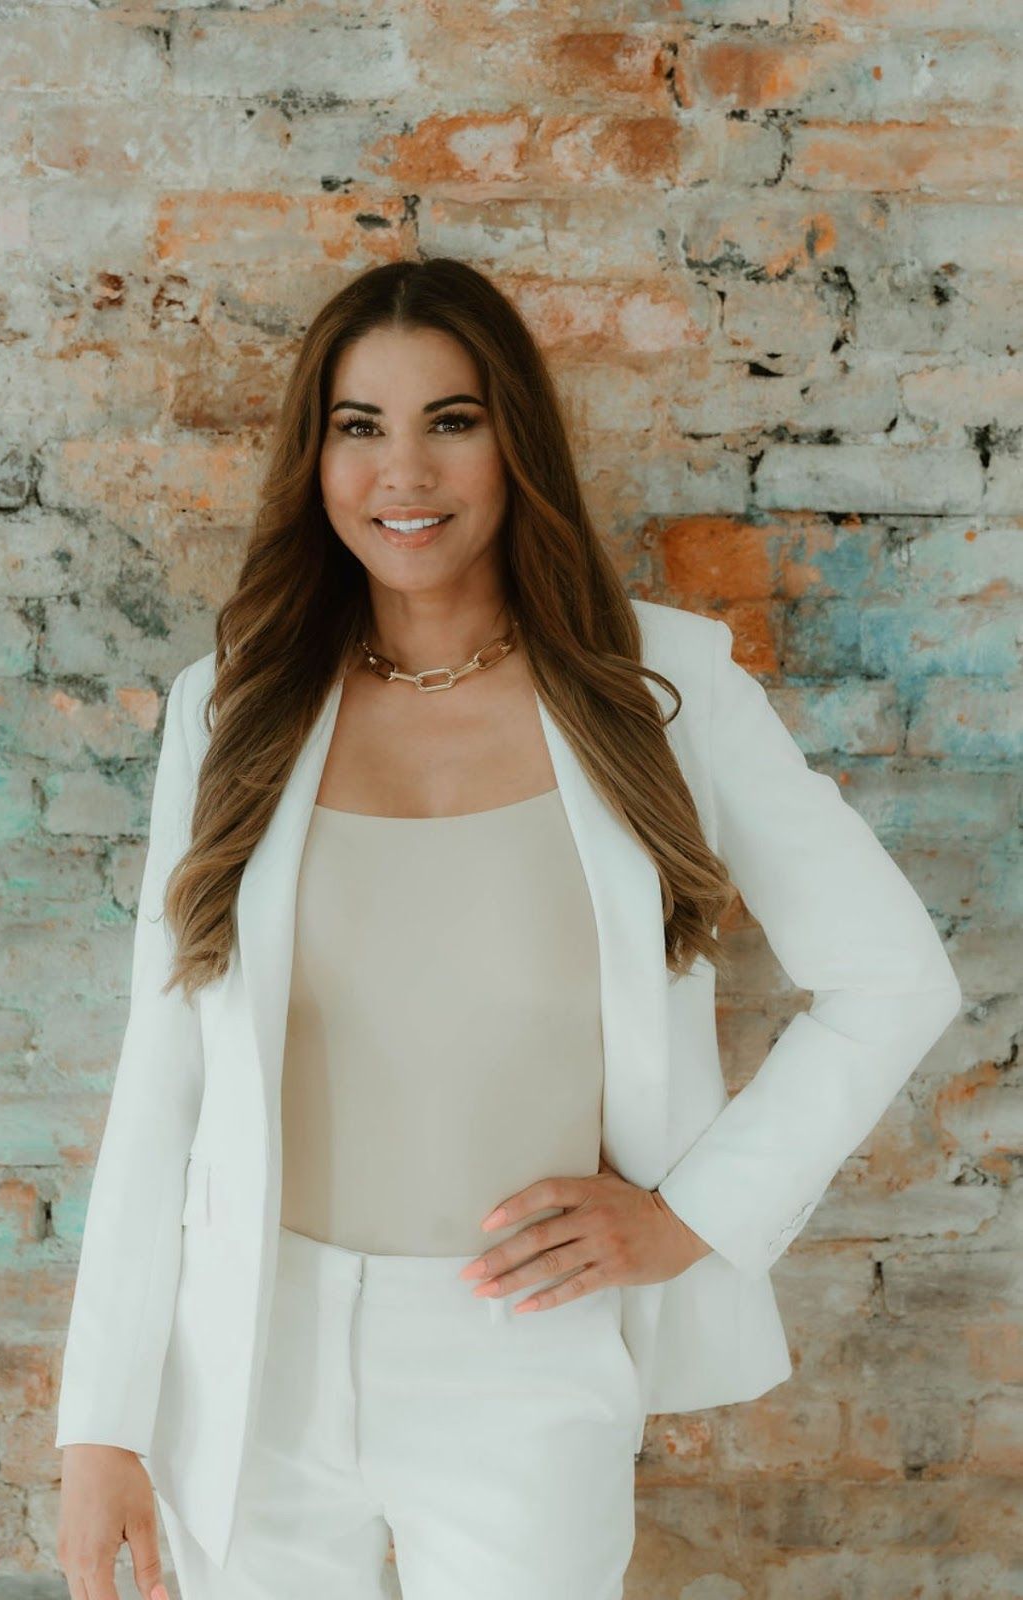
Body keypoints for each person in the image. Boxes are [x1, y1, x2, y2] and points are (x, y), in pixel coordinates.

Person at [55, 258, 962, 1600]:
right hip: (254, 1352)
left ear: (515, 441)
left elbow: (892, 979)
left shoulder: (663, 691)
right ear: (317, 457)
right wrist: (102, 1425)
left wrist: (693, 1216)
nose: (401, 473)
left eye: (453, 421)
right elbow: (165, 1069)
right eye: (360, 428)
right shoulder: (230, 706)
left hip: (523, 1349)